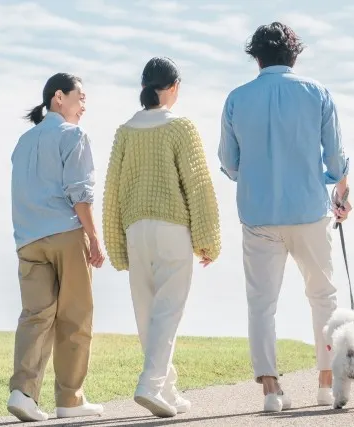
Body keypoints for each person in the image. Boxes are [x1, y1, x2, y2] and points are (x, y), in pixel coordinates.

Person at [218, 22, 352, 412]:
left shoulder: (236, 99)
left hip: (258, 216)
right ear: (295, 55)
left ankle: (271, 392)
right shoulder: (318, 94)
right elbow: (336, 158)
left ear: (256, 58)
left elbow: (229, 162)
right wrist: (341, 192)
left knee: (261, 303)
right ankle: (327, 385)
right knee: (323, 298)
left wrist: (256, 174)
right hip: (309, 212)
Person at [102, 57, 221, 418]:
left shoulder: (125, 130)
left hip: (135, 229)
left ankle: (166, 389)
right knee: (168, 311)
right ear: (172, 87)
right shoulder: (180, 127)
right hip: (172, 228)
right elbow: (198, 186)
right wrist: (209, 239)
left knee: (147, 313)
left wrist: (115, 244)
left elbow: (112, 191)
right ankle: (151, 384)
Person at [8, 73, 105, 422]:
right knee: (75, 317)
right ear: (58, 98)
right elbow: (80, 192)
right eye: (81, 98)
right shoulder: (73, 135)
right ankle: (70, 400)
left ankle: (23, 393)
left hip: (28, 240)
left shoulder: (22, 142)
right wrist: (94, 237)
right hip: (65, 234)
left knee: (35, 317)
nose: (84, 106)